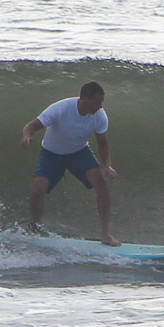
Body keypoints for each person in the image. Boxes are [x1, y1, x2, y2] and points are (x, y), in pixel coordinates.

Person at [20, 81, 119, 246]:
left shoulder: (99, 116)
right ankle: (35, 227)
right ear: (85, 99)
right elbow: (32, 126)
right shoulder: (61, 108)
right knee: (38, 190)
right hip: (51, 154)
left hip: (79, 153)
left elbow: (103, 143)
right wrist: (27, 136)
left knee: (101, 185)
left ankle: (106, 235)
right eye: (97, 102)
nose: (100, 106)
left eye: (102, 102)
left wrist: (107, 165)